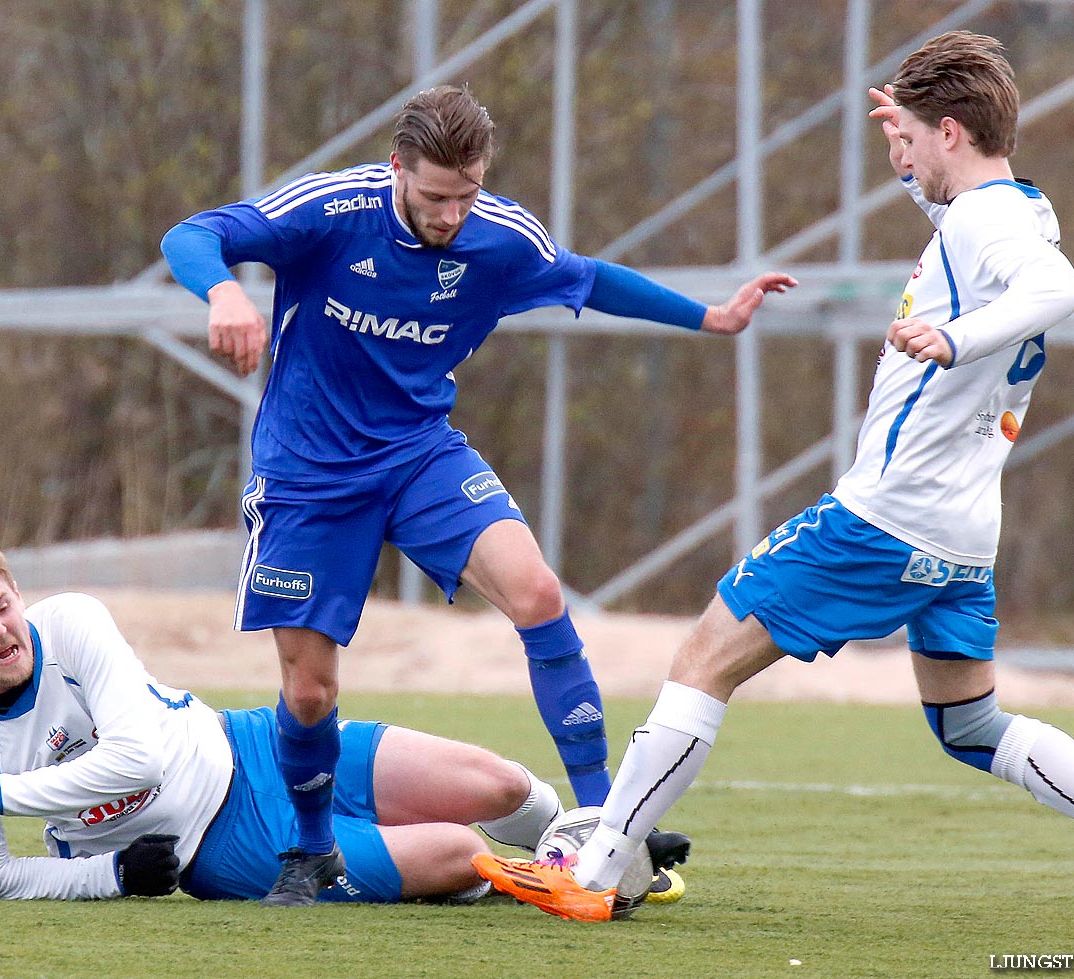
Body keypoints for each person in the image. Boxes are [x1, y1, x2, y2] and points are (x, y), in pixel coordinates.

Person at [472, 32, 1074, 940]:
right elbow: (1002, 245)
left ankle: (595, 871)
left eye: (908, 146)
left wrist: (955, 339)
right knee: (971, 723)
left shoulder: (988, 225)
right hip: (963, 531)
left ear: (951, 132)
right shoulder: (1022, 207)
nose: (901, 165)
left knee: (704, 658)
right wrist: (919, 150)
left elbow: (1057, 287)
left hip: (884, 518)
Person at [159, 83, 795, 903]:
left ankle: (605, 826)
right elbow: (194, 232)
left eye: (467, 194)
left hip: (421, 455)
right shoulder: (331, 211)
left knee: (537, 591)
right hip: (309, 476)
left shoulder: (499, 237)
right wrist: (221, 290)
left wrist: (711, 317)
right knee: (310, 689)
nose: (451, 214)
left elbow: (588, 278)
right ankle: (311, 850)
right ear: (397, 169)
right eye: (434, 196)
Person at [0, 532, 567, 904]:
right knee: (461, 850)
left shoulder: (71, 621)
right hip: (222, 848)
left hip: (254, 744)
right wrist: (110, 875)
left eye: (1, 606)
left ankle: (584, 841)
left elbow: (141, 758)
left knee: (500, 784)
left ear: (19, 594)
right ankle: (511, 883)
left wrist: (4, 791)